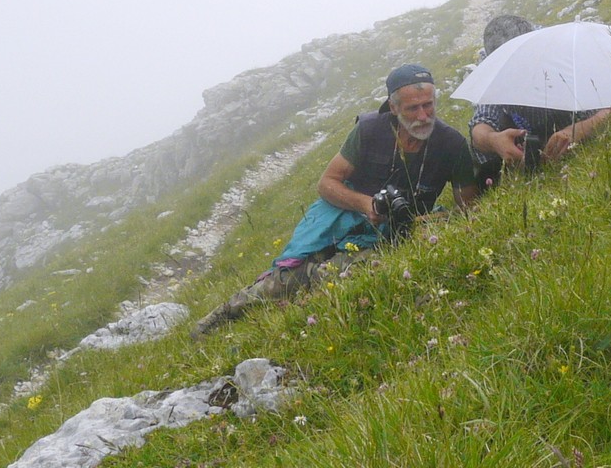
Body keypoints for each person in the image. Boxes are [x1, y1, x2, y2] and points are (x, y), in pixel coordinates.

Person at [192, 63, 477, 337]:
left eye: (429, 105)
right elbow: (327, 183)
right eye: (413, 108)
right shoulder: (369, 131)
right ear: (393, 108)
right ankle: (218, 318)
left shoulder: (451, 144)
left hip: (401, 230)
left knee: (338, 274)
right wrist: (367, 205)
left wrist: (424, 220)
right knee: (282, 279)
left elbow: (467, 210)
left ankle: (312, 282)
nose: (424, 116)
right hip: (346, 216)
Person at [468, 15, 611, 189]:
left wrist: (577, 131)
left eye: (523, 64)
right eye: (511, 69)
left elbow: (609, 111)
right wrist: (494, 140)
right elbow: (481, 125)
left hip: (567, 121)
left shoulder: (564, 54)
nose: (519, 74)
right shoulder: (493, 67)